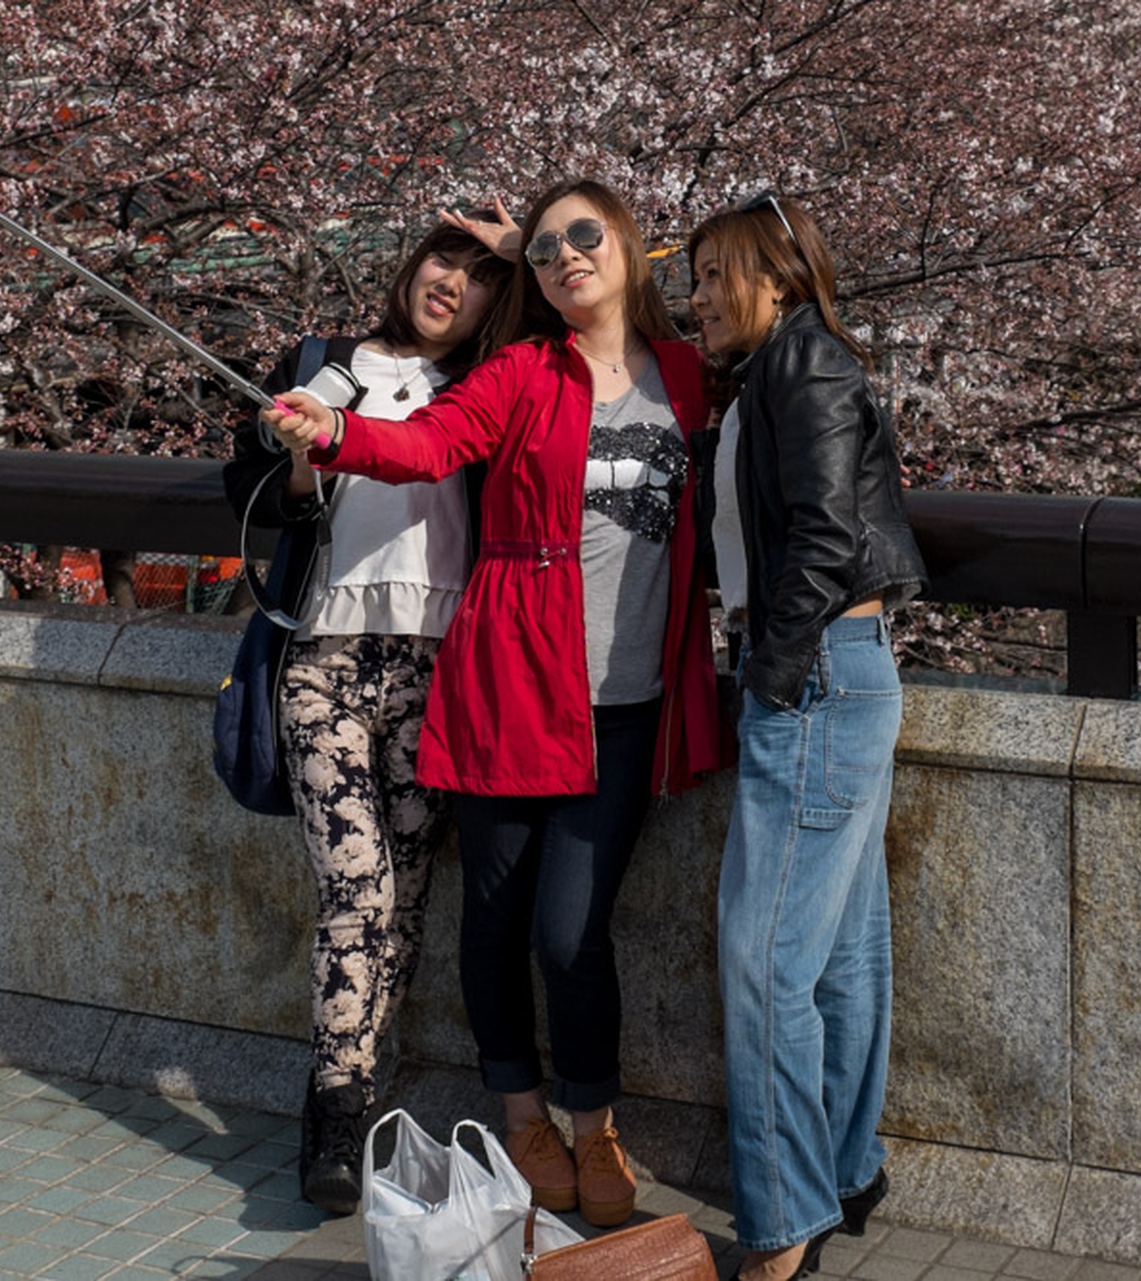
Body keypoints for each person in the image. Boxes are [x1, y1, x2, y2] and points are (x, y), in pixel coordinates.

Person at [269, 181, 728, 1227]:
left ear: (632, 247)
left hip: (629, 698)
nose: (570, 256)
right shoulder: (523, 370)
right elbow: (427, 442)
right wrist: (333, 433)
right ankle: (522, 1114)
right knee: (495, 911)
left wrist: (533, 239)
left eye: (588, 236)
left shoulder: (693, 379)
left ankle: (594, 1122)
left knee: (572, 931)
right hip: (511, 680)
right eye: (551, 246)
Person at [223, 220, 511, 1214]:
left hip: (438, 667)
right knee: (358, 885)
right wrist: (296, 455)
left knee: (410, 891)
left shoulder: (489, 384)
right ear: (410, 262)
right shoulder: (322, 364)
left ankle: (362, 1086)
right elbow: (262, 503)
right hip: (326, 657)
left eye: (482, 277)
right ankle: (336, 1109)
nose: (453, 283)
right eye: (445, 257)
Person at [686, 192, 926, 1279]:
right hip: (840, 668)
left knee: (763, 962)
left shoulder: (803, 363)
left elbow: (826, 532)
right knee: (838, 954)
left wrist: (773, 680)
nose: (694, 299)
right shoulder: (779, 367)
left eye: (710, 277)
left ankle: (783, 1223)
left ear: (772, 277)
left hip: (817, 668)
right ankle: (845, 1165)